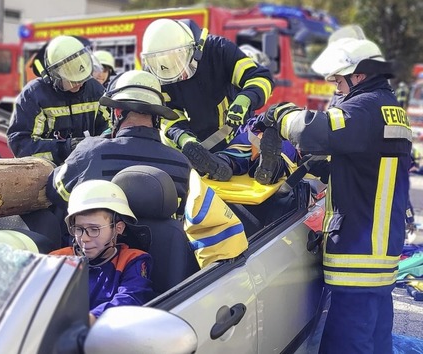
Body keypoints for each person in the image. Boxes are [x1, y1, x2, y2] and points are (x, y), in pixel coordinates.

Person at [263, 37, 411, 354]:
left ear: (358, 74)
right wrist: (318, 169)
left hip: (358, 253)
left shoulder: (365, 107)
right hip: (380, 252)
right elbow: (364, 172)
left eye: (339, 80)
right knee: (376, 339)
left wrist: (281, 114)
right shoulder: (390, 110)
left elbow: (312, 130)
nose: (337, 89)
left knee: (347, 343)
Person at [140, 18, 274, 181]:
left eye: (178, 63)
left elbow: (260, 77)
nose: (179, 76)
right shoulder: (157, 69)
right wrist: (185, 139)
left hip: (233, 130)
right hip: (196, 144)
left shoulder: (219, 49)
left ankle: (252, 164)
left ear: (194, 49)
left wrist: (246, 99)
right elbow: (167, 113)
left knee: (244, 152)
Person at [47, 70, 191, 218]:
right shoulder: (181, 164)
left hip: (100, 240)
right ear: (157, 117)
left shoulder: (90, 152)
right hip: (163, 241)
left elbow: (56, 192)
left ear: (116, 113)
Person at [50, 179, 154, 325]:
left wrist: (91, 319)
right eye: (79, 229)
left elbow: (130, 298)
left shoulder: (133, 260)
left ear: (118, 228)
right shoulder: (57, 259)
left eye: (94, 229)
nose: (84, 238)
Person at [7, 35, 111, 165]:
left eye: (82, 78)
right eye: (72, 80)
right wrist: (64, 148)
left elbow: (109, 124)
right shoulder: (34, 96)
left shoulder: (94, 89)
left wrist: (103, 140)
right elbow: (21, 144)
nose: (78, 84)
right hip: (49, 173)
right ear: (54, 75)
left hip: (87, 166)